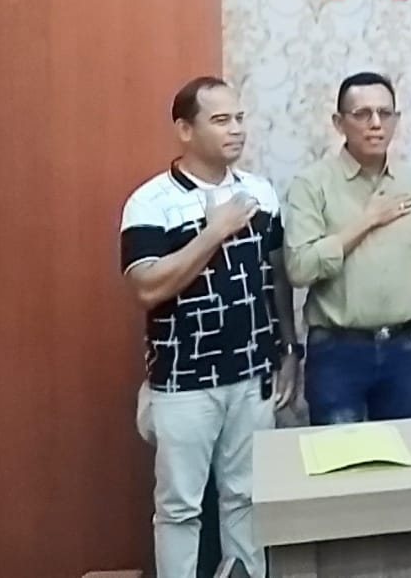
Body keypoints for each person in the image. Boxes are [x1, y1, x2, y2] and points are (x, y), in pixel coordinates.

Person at [120, 76, 299, 578]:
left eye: (239, 118)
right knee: (179, 507)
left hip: (253, 375)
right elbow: (147, 288)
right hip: (183, 383)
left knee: (245, 496)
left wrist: (289, 349)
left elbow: (276, 277)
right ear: (185, 129)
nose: (236, 130)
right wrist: (214, 231)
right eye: (221, 120)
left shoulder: (260, 192)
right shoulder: (151, 202)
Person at [284, 72, 411, 425]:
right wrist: (367, 221)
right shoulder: (312, 184)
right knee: (338, 454)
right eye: (362, 114)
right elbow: (300, 269)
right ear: (339, 123)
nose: (376, 124)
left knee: (406, 453)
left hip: (405, 349)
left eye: (385, 113)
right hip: (338, 351)